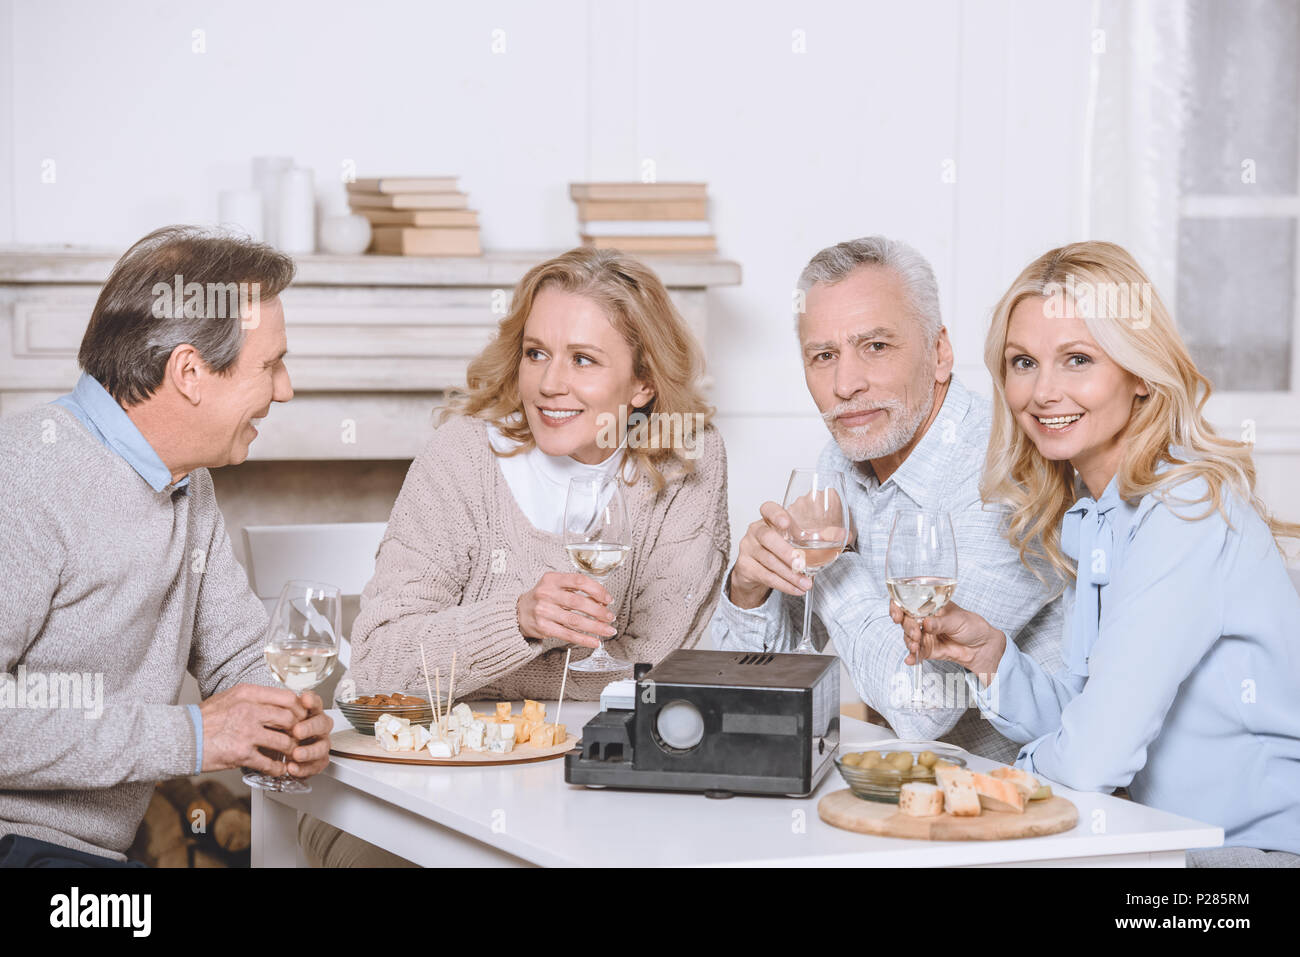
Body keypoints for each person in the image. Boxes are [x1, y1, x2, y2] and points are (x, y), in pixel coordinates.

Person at [301, 248, 729, 866]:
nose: (549, 383)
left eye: (582, 359)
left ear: (642, 383)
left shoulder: (686, 461)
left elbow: (652, 667)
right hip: (411, 794)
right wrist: (518, 623)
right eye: (536, 353)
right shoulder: (463, 458)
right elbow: (376, 670)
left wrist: (488, 681)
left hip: (591, 787)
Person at [894, 241, 1300, 865]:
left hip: (1253, 857)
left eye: (1077, 359)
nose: (1043, 392)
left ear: (1139, 373)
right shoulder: (1101, 514)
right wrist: (993, 660)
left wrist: (990, 785)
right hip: (1171, 846)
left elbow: (1094, 756)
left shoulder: (1185, 508)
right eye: (1023, 362)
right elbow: (1093, 717)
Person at [0, 226, 332, 867]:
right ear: (189, 372)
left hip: (91, 857)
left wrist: (286, 724)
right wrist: (193, 736)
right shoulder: (27, 477)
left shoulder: (185, 481)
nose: (284, 388)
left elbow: (237, 656)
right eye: (270, 365)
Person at [711, 236, 1064, 765]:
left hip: (1023, 809)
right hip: (896, 793)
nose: (845, 384)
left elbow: (920, 703)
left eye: (876, 346)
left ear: (940, 353)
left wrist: (830, 564)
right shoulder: (842, 457)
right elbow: (755, 690)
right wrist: (748, 590)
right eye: (823, 356)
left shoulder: (1011, 475)